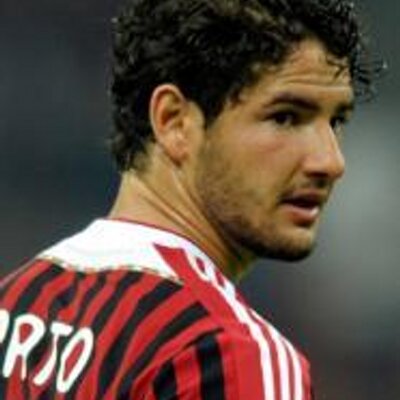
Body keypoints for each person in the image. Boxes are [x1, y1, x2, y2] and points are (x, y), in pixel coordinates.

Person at [0, 0, 379, 399]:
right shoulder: (227, 352)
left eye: (336, 121)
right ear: (174, 121)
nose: (330, 161)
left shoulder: (14, 304)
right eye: (285, 117)